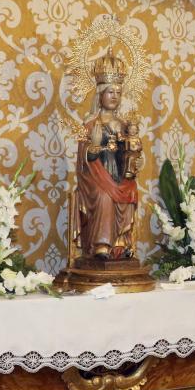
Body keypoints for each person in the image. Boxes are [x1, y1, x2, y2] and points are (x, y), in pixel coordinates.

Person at [75, 49, 142, 260]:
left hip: (119, 177)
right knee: (104, 196)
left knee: (130, 191)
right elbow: (81, 162)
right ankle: (102, 245)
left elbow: (131, 152)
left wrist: (133, 159)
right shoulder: (89, 125)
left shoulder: (125, 125)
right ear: (100, 95)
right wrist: (92, 151)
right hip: (96, 178)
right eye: (110, 92)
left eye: (118, 92)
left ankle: (121, 243)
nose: (115, 96)